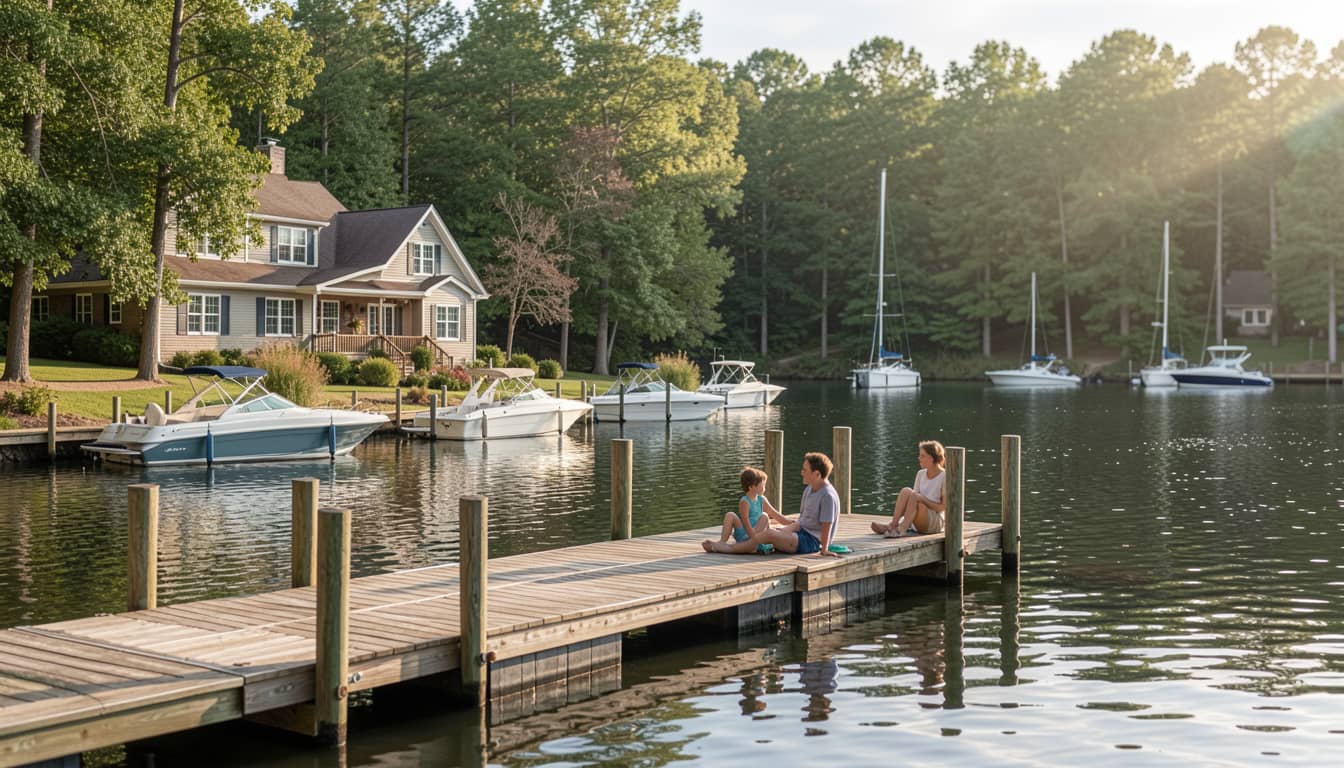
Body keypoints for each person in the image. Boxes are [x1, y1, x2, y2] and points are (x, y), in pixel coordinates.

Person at [747, 452, 841, 558]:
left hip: (812, 541)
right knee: (770, 530)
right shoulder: (809, 489)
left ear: (817, 474)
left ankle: (736, 548)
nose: (802, 473)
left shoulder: (827, 496)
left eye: (805, 470)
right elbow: (802, 520)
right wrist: (784, 530)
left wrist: (824, 549)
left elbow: (827, 525)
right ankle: (750, 544)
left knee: (770, 534)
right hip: (801, 532)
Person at [702, 467, 789, 554]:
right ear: (751, 487)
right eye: (762, 485)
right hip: (746, 534)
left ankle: (752, 542)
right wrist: (753, 537)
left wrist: (790, 522)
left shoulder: (761, 499)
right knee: (730, 515)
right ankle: (722, 542)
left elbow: (775, 514)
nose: (764, 488)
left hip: (757, 531)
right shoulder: (745, 501)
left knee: (765, 516)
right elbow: (745, 521)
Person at [871, 440, 946, 537]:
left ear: (931, 458)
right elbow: (912, 503)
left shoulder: (944, 476)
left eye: (922, 456)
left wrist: (923, 500)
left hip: (934, 522)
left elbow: (942, 507)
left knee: (915, 496)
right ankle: (893, 525)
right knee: (906, 491)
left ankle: (901, 529)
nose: (919, 458)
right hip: (918, 519)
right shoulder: (921, 474)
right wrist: (918, 499)